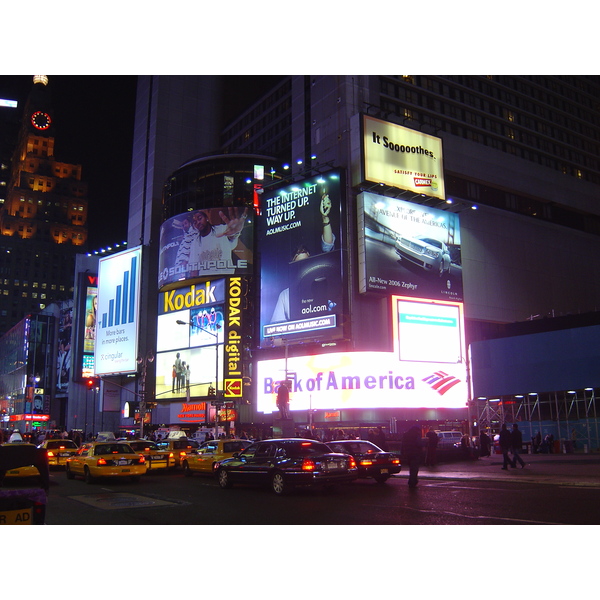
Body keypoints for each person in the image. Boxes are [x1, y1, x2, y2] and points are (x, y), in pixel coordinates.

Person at [270, 194, 336, 323]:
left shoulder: (322, 281)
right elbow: (276, 327)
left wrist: (325, 218)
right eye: (298, 263)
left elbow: (328, 247)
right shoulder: (286, 295)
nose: (302, 267)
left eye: (305, 262)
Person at [190, 208, 248, 276]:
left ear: (206, 218)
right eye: (195, 222)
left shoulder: (223, 229)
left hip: (226, 279)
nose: (198, 223)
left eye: (200, 218)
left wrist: (235, 232)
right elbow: (194, 270)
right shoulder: (195, 243)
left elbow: (232, 236)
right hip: (205, 282)